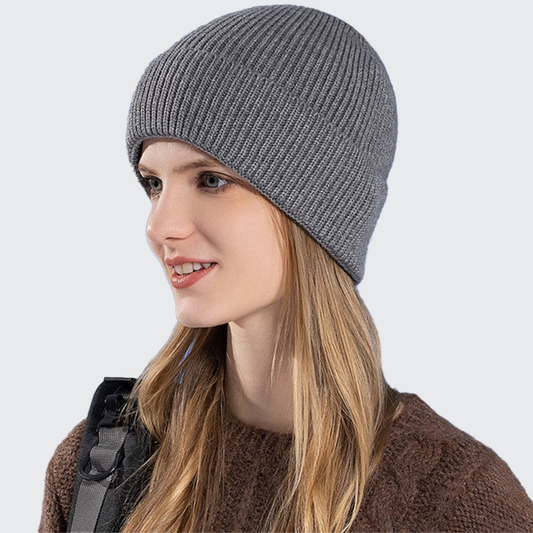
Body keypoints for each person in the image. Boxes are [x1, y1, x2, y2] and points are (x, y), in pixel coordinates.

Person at [39, 5, 533, 532]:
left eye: (211, 180)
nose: (159, 226)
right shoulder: (104, 470)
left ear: (318, 208)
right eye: (154, 184)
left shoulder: (451, 500)